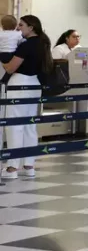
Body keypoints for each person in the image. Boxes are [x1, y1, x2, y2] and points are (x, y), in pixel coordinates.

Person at [2, 15, 53, 179]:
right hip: (34, 85)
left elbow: (10, 68)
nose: (18, 28)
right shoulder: (43, 44)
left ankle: (12, 167)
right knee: (30, 125)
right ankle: (29, 165)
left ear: (31, 27)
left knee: (15, 125)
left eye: (21, 25)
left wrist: (2, 58)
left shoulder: (26, 45)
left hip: (19, 84)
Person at [0, 14, 21, 83]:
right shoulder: (17, 34)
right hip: (12, 54)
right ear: (15, 25)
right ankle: (6, 81)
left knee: (4, 69)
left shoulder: (0, 33)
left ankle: (3, 81)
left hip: (1, 54)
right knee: (10, 70)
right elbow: (22, 41)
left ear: (2, 25)